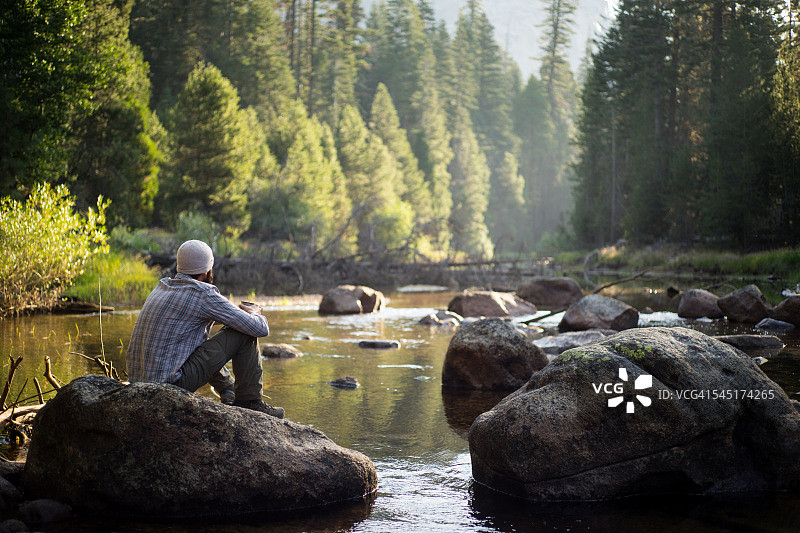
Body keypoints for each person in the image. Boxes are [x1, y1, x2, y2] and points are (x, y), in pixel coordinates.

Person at [126, 239, 284, 418]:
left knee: (199, 337)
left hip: (138, 387)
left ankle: (228, 389)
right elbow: (260, 329)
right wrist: (255, 313)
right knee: (243, 333)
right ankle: (250, 402)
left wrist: (233, 313)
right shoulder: (203, 293)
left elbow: (192, 319)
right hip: (168, 389)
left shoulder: (163, 286)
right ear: (207, 270)